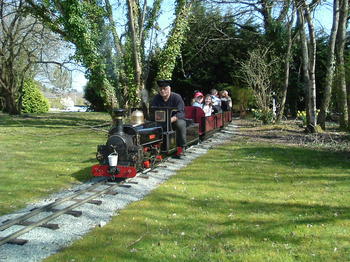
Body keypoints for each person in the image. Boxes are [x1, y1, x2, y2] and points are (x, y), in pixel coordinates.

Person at [152, 80, 186, 158]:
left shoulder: (177, 97)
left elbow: (181, 112)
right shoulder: (156, 98)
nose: (162, 91)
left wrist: (172, 119)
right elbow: (153, 111)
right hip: (160, 120)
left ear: (169, 89)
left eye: (165, 89)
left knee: (180, 124)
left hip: (175, 119)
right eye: (161, 89)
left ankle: (182, 147)